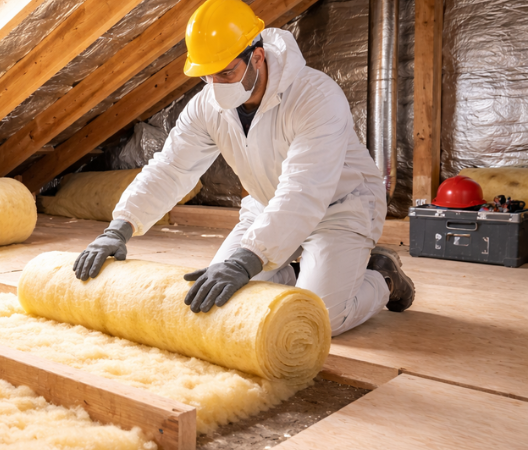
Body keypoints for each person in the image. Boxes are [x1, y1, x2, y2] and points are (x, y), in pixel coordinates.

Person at [73, 0, 415, 336]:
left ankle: (382, 276)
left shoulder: (315, 97)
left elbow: (304, 191)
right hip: (266, 207)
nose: (218, 86)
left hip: (340, 209)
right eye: (209, 76)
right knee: (228, 299)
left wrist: (246, 260)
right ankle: (299, 271)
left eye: (227, 73)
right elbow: (171, 167)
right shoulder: (206, 106)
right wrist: (119, 227)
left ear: (257, 56)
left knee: (320, 315)